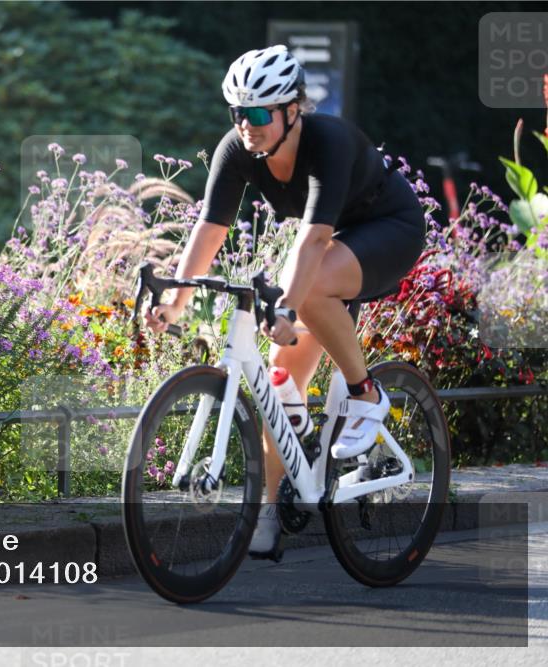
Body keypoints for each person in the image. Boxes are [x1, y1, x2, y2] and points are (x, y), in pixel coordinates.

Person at [143, 45, 426, 560]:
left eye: (258, 113)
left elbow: (313, 243)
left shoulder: (328, 142)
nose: (246, 124)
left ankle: (366, 395)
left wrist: (287, 309)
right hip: (333, 244)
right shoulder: (237, 150)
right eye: (238, 113)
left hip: (388, 229)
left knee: (308, 286)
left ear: (292, 110)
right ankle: (271, 512)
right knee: (279, 383)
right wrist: (177, 299)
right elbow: (209, 229)